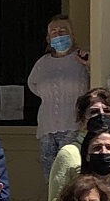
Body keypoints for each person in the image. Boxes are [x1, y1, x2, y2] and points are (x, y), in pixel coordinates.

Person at [26, 16, 91, 179]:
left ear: (72, 35)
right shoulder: (43, 63)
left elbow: (94, 82)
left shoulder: (82, 58)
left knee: (70, 174)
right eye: (54, 32)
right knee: (52, 177)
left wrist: (89, 64)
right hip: (47, 128)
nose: (58, 34)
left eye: (63, 31)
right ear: (48, 38)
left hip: (74, 125)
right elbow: (33, 84)